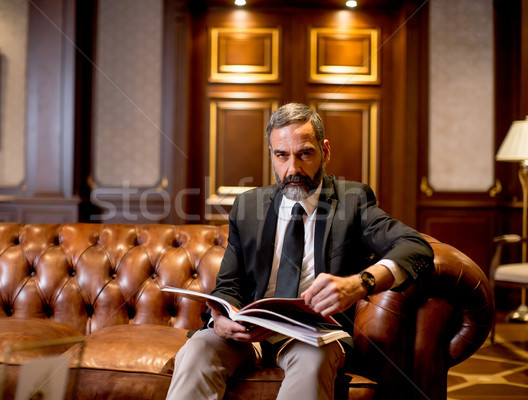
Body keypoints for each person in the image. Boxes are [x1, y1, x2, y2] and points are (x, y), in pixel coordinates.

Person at [165, 103, 434, 400]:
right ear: (271, 155)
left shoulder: (352, 201)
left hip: (315, 334)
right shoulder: (248, 206)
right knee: (197, 350)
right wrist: (222, 319)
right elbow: (229, 285)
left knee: (313, 360)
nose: (292, 169)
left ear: (325, 151)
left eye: (304, 154)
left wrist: (361, 283)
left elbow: (415, 247)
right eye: (282, 155)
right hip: (251, 333)